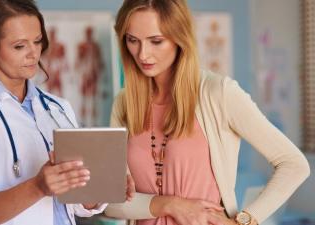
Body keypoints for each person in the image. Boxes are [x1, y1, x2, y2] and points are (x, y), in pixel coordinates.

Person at [105, 0, 310, 225]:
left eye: (156, 41)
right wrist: (169, 204)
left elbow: (293, 164)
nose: (143, 54)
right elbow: (111, 203)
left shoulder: (219, 93)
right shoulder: (123, 104)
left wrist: (244, 221)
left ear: (179, 38)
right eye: (133, 40)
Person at [0, 0, 113, 224]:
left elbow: (75, 203)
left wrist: (101, 188)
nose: (33, 53)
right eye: (19, 46)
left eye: (38, 41)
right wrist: (38, 187)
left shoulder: (58, 108)